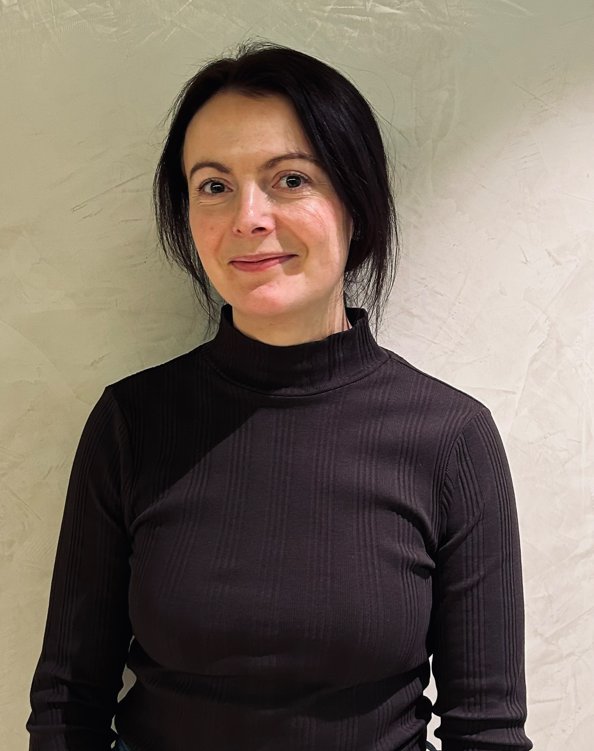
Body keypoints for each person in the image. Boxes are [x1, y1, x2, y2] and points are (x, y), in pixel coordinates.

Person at [27, 42, 533, 751]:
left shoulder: (450, 438)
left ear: (356, 202)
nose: (249, 218)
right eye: (214, 185)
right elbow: (67, 706)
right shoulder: (132, 422)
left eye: (290, 179)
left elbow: (488, 730)